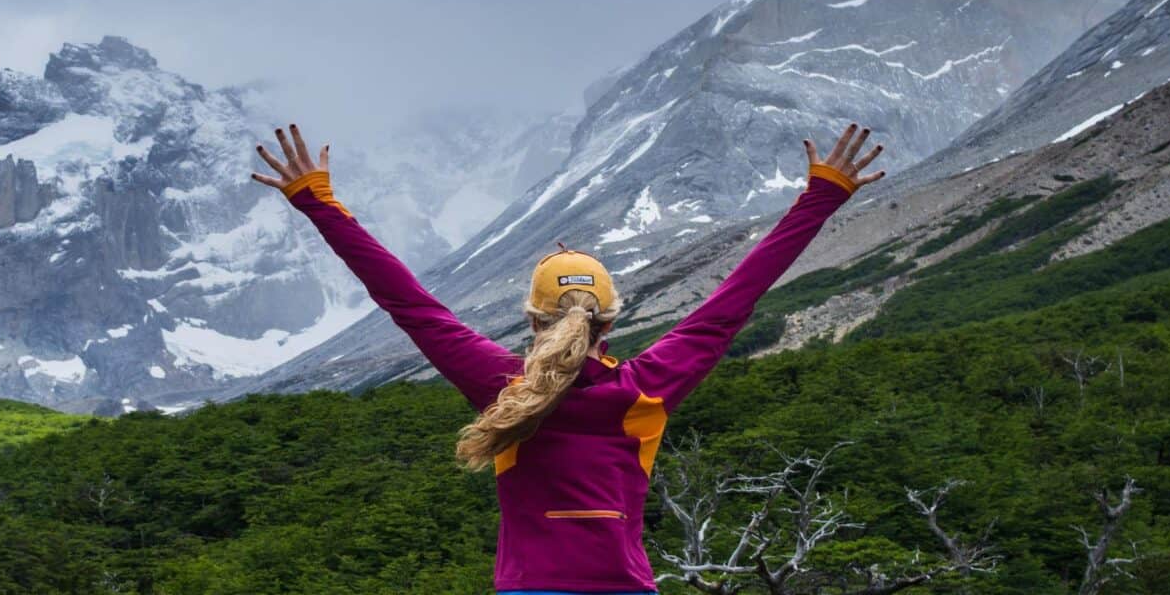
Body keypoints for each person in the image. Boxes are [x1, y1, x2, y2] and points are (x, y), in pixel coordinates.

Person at [252, 122, 885, 595]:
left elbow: (406, 300)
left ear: (530, 319)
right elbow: (734, 298)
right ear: (612, 321)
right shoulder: (646, 391)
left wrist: (316, 200)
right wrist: (822, 195)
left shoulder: (501, 387)